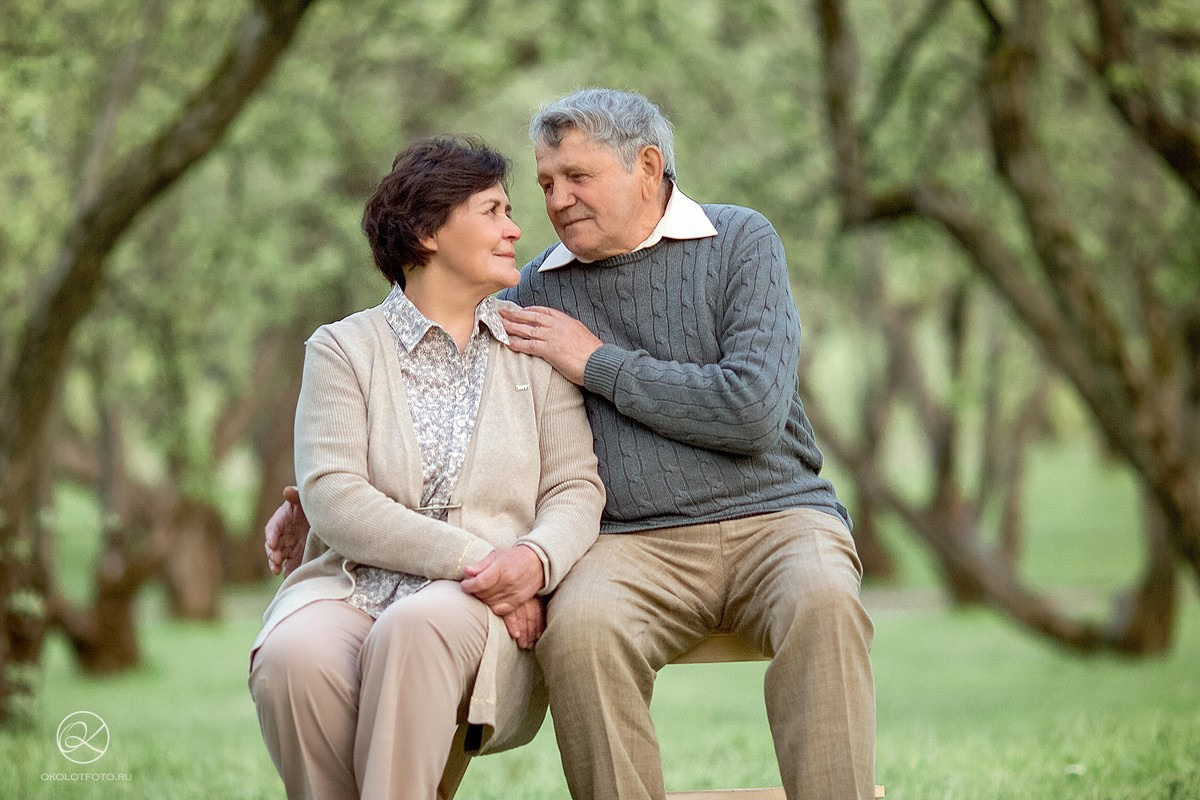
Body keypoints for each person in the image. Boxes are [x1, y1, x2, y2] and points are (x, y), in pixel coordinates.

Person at [267, 88, 875, 800]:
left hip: (780, 519)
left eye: (577, 177)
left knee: (825, 603)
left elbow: (753, 410)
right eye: (546, 183)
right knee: (580, 631)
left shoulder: (740, 239)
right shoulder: (533, 291)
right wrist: (313, 496)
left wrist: (597, 364)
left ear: (647, 167)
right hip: (631, 543)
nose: (555, 202)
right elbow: (434, 364)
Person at [250, 136, 605, 800]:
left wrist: (532, 563)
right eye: (493, 211)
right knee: (292, 656)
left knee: (415, 629)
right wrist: (485, 562)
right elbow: (334, 496)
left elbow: (575, 487)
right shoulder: (342, 350)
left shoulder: (531, 345)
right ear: (426, 232)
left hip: (474, 610)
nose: (515, 229)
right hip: (357, 587)